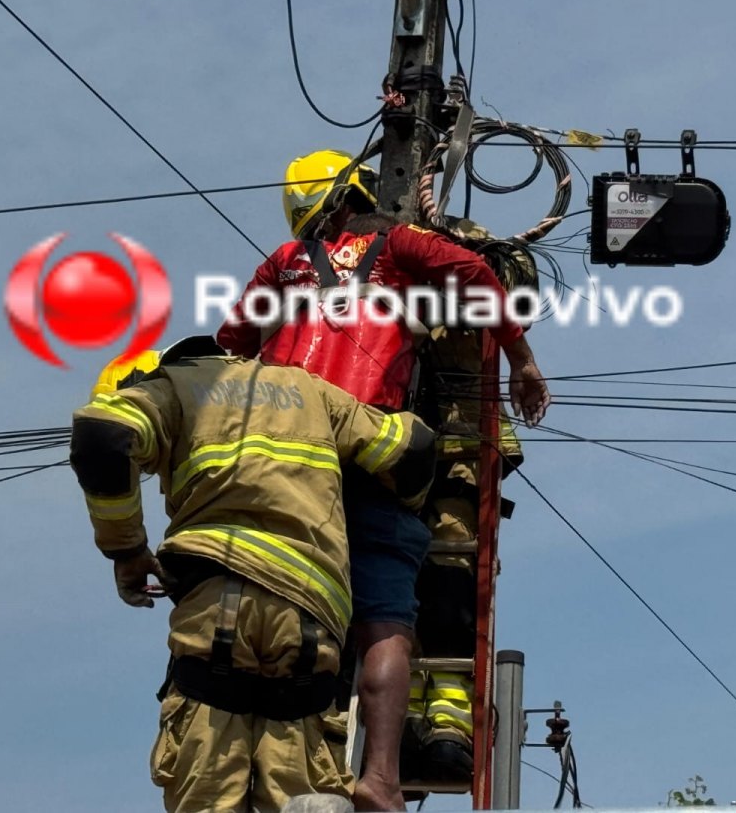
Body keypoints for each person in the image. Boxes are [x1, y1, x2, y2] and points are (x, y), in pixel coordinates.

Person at [217, 149, 551, 809]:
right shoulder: (399, 246)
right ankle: (381, 779)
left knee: (296, 612)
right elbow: (480, 275)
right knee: (386, 621)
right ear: (361, 192)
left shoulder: (283, 263)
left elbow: (231, 345)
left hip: (284, 467)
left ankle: (294, 763)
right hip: (375, 454)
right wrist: (523, 360)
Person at [69, 335, 437, 813]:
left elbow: (102, 436)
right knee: (301, 796)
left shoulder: (171, 388)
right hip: (308, 619)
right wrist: (396, 516)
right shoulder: (308, 388)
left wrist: (127, 551)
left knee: (207, 794)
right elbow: (411, 447)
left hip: (218, 608)